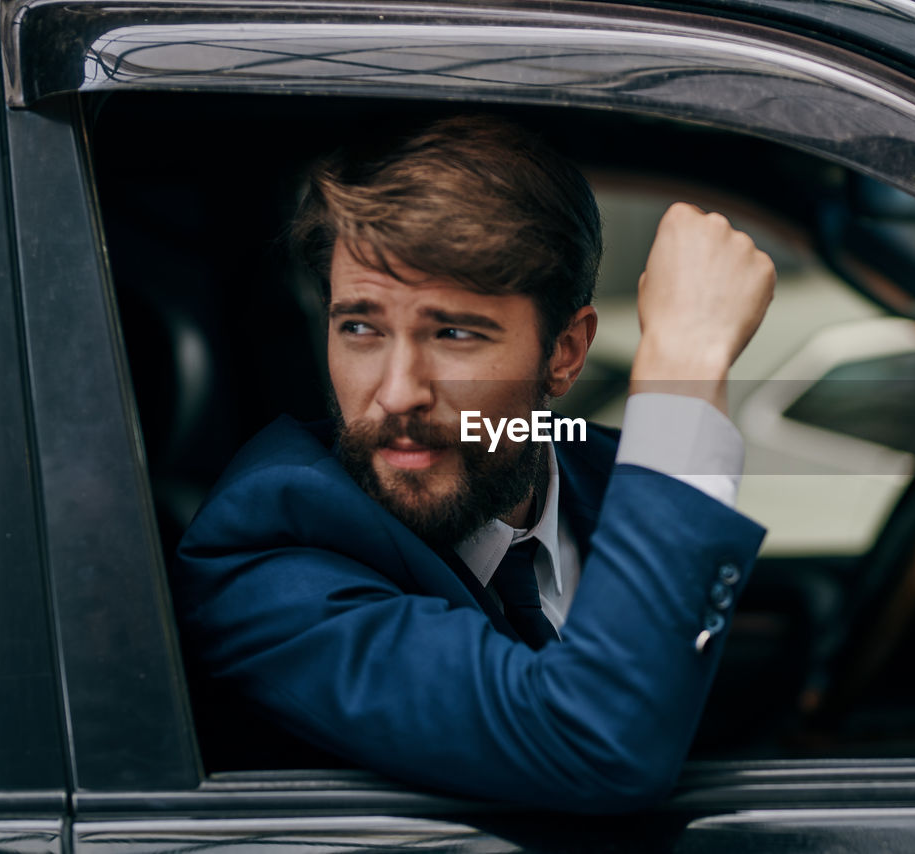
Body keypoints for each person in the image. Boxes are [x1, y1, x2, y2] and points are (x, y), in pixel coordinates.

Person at [171, 115, 775, 812]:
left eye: (453, 333)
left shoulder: (617, 479)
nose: (398, 393)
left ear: (565, 353)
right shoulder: (266, 556)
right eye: (360, 328)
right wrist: (685, 358)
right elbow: (592, 747)